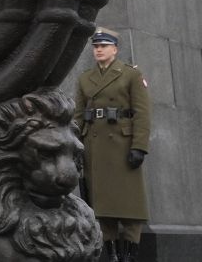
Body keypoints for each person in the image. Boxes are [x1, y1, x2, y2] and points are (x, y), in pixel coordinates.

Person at [74, 28, 151, 262]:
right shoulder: (84, 78)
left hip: (122, 145)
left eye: (103, 46)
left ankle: (129, 255)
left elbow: (142, 113)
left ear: (115, 50)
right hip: (94, 147)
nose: (98, 49)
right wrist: (75, 146)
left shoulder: (130, 75)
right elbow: (78, 115)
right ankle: (112, 255)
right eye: (96, 46)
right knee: (102, 207)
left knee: (129, 206)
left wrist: (139, 146)